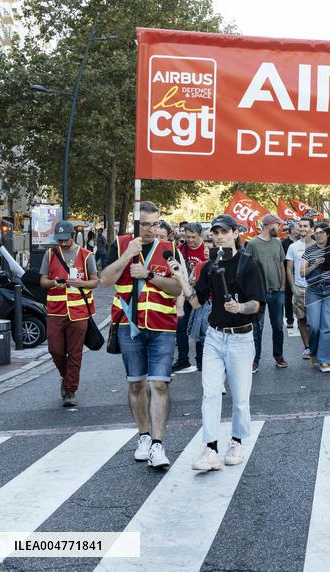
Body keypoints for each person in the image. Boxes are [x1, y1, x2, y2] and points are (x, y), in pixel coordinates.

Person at [175, 214, 265, 472]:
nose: (219, 236)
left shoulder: (249, 264)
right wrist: (182, 279)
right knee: (211, 393)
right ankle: (210, 449)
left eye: (224, 232)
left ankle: (236, 442)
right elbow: (196, 302)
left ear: (235, 233)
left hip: (241, 337)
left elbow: (257, 303)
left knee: (240, 397)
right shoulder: (210, 265)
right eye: (215, 233)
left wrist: (240, 307)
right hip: (214, 337)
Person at [101, 201, 182, 469]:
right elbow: (105, 280)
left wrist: (148, 275)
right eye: (145, 225)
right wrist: (127, 255)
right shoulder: (121, 244)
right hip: (129, 325)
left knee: (160, 384)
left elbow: (177, 288)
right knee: (136, 384)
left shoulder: (169, 248)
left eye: (155, 224)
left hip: (162, 325)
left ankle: (158, 444)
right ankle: (144, 437)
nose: (150, 230)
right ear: (135, 224)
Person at [40, 220, 98, 408]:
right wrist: (53, 283)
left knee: (75, 353)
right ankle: (66, 378)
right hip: (56, 311)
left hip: (79, 312)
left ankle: (70, 390)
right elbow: (42, 281)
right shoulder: (50, 254)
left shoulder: (87, 255)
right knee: (55, 350)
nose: (63, 243)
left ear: (73, 236)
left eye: (66, 239)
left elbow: (95, 282)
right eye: (60, 240)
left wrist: (81, 284)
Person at [301, 221, 330, 373]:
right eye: (316, 232)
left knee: (329, 326)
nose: (318, 235)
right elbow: (302, 272)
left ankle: (325, 360)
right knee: (313, 325)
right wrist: (314, 265)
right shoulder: (309, 250)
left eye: (321, 232)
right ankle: (314, 352)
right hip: (314, 291)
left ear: (327, 234)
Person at [245, 214, 287, 372]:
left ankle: (279, 356)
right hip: (259, 293)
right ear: (268, 225)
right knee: (257, 328)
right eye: (278, 225)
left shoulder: (278, 242)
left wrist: (283, 286)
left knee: (278, 326)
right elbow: (246, 267)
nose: (280, 228)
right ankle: (254, 360)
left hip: (277, 292)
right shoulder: (253, 244)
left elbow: (281, 265)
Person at [172, 222, 208, 374]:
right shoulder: (180, 249)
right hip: (184, 295)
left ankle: (201, 360)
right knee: (180, 326)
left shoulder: (206, 249)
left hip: (201, 295)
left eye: (193, 237)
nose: (190, 240)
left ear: (201, 235)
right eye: (187, 237)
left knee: (201, 328)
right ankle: (183, 359)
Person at [286, 217, 313, 357]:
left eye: (305, 226)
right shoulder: (293, 247)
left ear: (312, 229)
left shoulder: (318, 245)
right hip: (299, 289)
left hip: (315, 289)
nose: (302, 229)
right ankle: (307, 347)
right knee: (302, 319)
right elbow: (289, 269)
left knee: (315, 322)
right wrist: (293, 287)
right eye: (300, 226)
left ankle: (316, 345)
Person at [281, 221, 296, 329]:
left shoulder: (302, 242)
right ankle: (289, 319)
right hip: (288, 273)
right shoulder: (284, 243)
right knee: (288, 298)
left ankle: (302, 319)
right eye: (297, 228)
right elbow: (282, 260)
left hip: (301, 274)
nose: (300, 230)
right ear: (292, 230)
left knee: (301, 298)